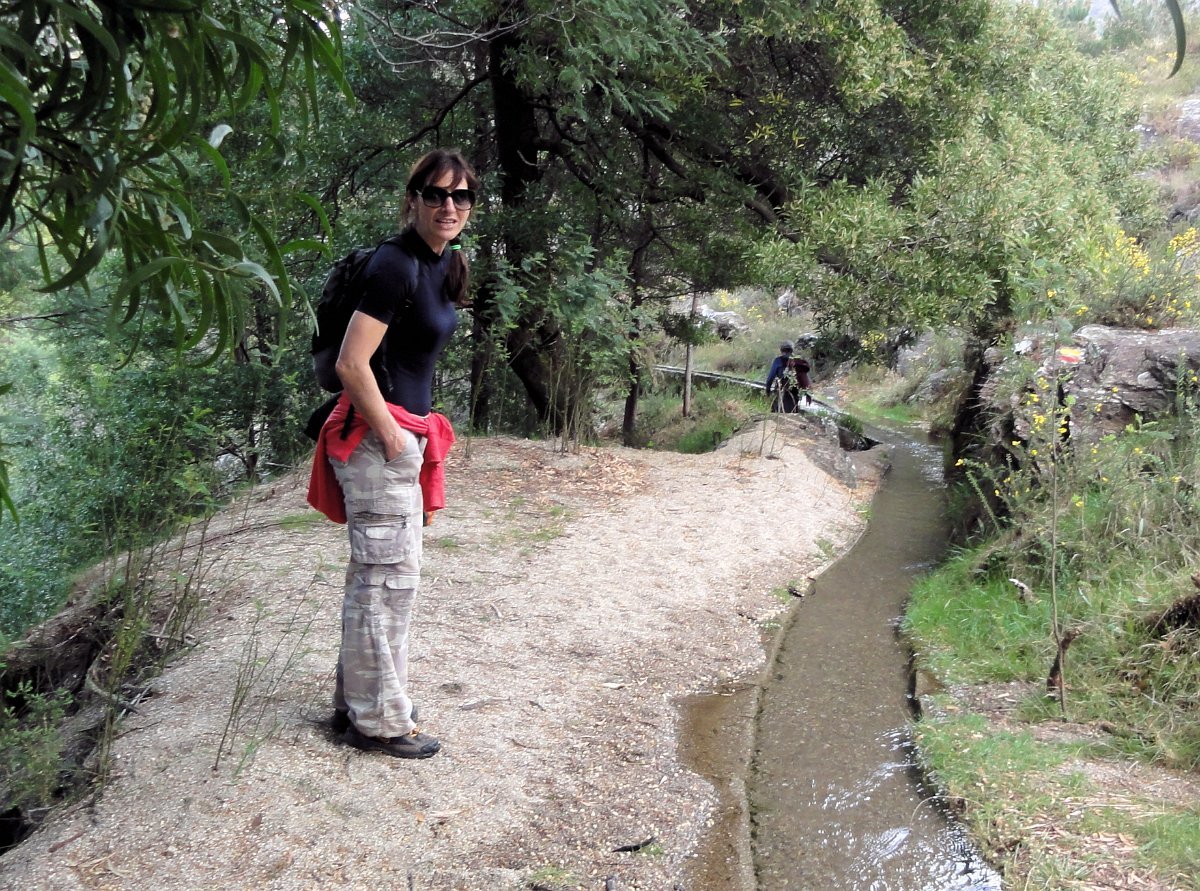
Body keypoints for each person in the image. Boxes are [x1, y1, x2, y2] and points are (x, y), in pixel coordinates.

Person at [306, 148, 478, 759]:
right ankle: (378, 721)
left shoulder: (442, 261)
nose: (449, 206)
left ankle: (359, 702)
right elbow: (352, 363)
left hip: (400, 437)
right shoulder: (395, 265)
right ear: (413, 200)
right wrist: (394, 436)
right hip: (376, 442)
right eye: (436, 194)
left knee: (377, 580)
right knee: (386, 582)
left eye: (461, 196)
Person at [765, 341, 795, 412]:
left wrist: (768, 390)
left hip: (781, 389)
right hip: (794, 392)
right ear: (792, 350)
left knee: (775, 410)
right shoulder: (797, 360)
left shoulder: (778, 361)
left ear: (781, 351)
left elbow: (770, 378)